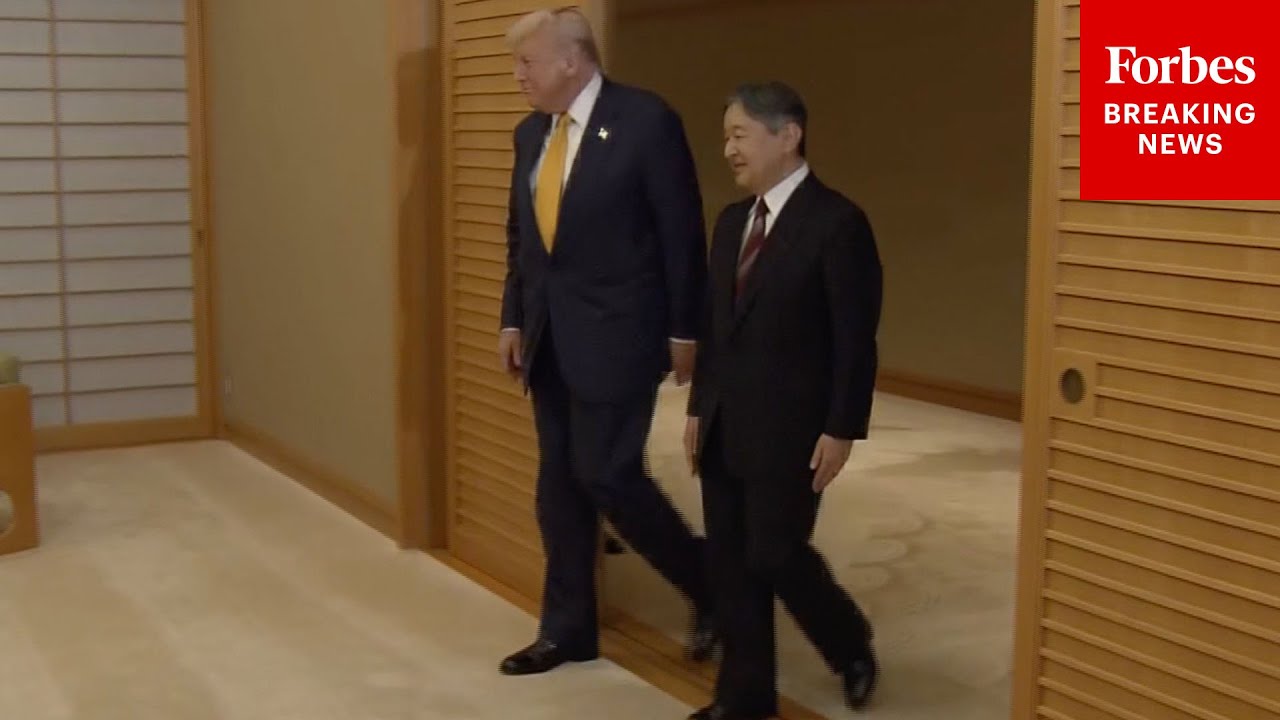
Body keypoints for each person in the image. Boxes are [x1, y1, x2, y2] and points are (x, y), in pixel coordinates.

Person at [496, 7, 716, 677]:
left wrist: (686, 331)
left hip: (622, 332)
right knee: (557, 487)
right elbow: (523, 241)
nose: (518, 77)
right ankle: (567, 631)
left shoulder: (646, 121)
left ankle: (712, 587)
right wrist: (512, 318)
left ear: (570, 60)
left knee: (608, 474)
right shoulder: (530, 135)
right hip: (549, 335)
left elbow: (681, 234)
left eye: (526, 64)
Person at [683, 82, 884, 719]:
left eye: (739, 135)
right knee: (731, 563)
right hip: (724, 420)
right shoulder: (730, 223)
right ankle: (742, 699)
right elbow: (716, 329)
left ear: (788, 134)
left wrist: (842, 426)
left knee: (775, 553)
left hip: (793, 428)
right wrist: (697, 409)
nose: (728, 150)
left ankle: (848, 642)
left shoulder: (837, 223)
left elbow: (855, 338)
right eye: (725, 137)